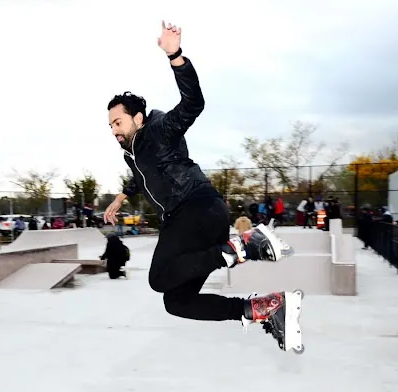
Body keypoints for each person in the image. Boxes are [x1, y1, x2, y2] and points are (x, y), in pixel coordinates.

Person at [103, 21, 302, 352]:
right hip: (193, 219)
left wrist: (175, 56)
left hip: (194, 208)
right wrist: (122, 195)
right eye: (110, 125)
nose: (114, 130)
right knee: (176, 300)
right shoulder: (133, 154)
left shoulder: (159, 129)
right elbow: (141, 178)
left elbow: (193, 103)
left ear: (138, 118)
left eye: (118, 122)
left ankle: (244, 246)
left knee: (158, 278)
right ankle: (263, 308)